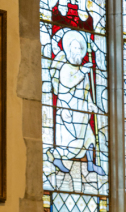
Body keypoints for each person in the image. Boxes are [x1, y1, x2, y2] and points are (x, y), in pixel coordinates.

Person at [47, 29, 106, 176]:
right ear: (68, 50)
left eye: (80, 48)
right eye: (75, 48)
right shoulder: (65, 68)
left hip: (82, 111)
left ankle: (91, 164)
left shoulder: (83, 71)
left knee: (89, 138)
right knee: (71, 143)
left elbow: (87, 91)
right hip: (69, 111)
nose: (78, 51)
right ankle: (54, 155)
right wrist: (82, 73)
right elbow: (68, 83)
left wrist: (92, 105)